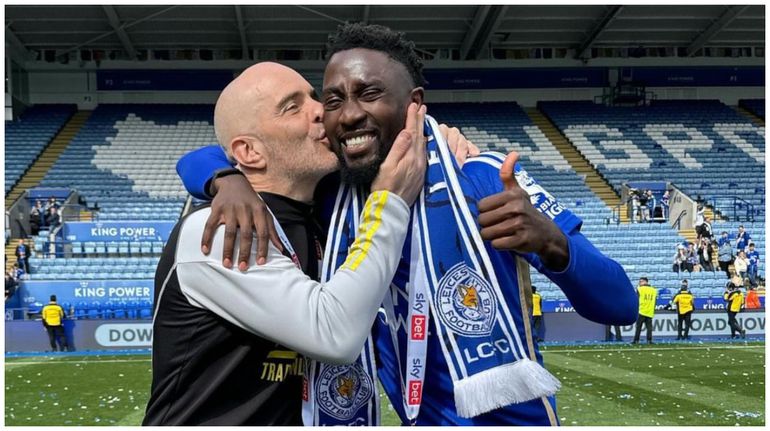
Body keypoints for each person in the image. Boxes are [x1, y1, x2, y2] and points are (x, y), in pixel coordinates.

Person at [177, 23, 638, 426]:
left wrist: (554, 243)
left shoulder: (484, 178)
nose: (348, 113)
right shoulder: (332, 201)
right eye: (334, 100)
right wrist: (225, 179)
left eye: (370, 93)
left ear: (415, 104)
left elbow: (621, 303)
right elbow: (223, 150)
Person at [143, 62, 426, 425]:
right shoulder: (220, 229)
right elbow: (334, 334)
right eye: (293, 107)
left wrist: (444, 141)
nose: (320, 111)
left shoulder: (327, 213)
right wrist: (390, 202)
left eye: (313, 97)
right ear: (249, 153)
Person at [632, 277, 657, 345]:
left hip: (641, 310)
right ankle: (649, 340)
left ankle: (636, 340)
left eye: (641, 281)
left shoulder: (640, 289)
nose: (639, 283)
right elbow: (655, 301)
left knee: (638, 327)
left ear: (646, 282)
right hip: (650, 311)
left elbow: (636, 300)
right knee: (649, 328)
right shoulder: (654, 290)